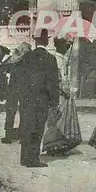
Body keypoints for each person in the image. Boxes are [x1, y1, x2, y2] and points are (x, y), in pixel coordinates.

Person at [20, 29, 60, 168]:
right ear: (47, 41)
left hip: (26, 98)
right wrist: (54, 102)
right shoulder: (50, 58)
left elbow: (20, 78)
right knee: (37, 128)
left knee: (26, 126)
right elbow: (53, 83)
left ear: (35, 41)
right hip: (41, 98)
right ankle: (33, 159)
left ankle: (24, 157)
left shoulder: (26, 57)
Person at [42, 36, 82, 155]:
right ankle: (52, 145)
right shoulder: (54, 59)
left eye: (69, 45)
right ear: (59, 45)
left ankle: (62, 142)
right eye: (65, 44)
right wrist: (63, 89)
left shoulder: (64, 59)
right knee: (56, 119)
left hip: (66, 94)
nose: (67, 47)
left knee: (65, 119)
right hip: (58, 93)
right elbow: (55, 78)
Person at [1, 42, 32, 144]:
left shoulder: (13, 61)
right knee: (23, 113)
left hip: (14, 90)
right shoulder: (28, 62)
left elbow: (7, 72)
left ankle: (9, 135)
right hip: (23, 90)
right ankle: (21, 136)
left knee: (11, 112)